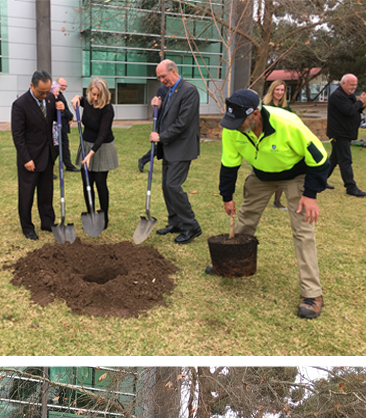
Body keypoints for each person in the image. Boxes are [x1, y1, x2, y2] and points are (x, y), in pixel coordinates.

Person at [207, 88, 330, 320]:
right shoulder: (233, 129)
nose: (234, 127)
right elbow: (229, 165)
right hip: (262, 174)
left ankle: (312, 294)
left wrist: (310, 194)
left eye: (239, 122)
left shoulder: (288, 123)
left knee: (303, 232)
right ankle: (232, 262)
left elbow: (320, 159)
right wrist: (227, 196)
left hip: (295, 174)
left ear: (255, 114)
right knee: (246, 217)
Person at [149, 59, 202, 244]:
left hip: (182, 147)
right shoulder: (169, 91)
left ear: (173, 71)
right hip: (169, 147)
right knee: (166, 186)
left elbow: (182, 122)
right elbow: (167, 117)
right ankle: (175, 222)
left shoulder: (189, 91)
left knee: (173, 185)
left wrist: (161, 137)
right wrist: (158, 107)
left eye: (163, 76)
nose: (161, 80)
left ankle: (191, 226)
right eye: (159, 78)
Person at [11, 70, 66, 240]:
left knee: (46, 191)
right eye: (41, 92)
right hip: (30, 157)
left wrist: (62, 110)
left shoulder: (50, 99)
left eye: (47, 91)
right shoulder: (20, 105)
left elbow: (59, 119)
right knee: (27, 194)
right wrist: (26, 158)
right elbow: (18, 136)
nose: (44, 95)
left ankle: (47, 222)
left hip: (47, 154)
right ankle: (27, 227)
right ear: (31, 86)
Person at [71, 77, 119, 228]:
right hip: (86, 144)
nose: (95, 98)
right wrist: (76, 98)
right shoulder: (88, 101)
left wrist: (90, 155)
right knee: (87, 182)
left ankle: (104, 216)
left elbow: (102, 135)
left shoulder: (108, 109)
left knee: (100, 183)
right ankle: (91, 213)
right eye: (93, 94)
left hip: (102, 146)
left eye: (99, 95)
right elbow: (80, 100)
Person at [326, 74, 366, 197]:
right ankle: (350, 187)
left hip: (346, 133)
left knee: (334, 159)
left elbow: (355, 110)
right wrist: (360, 101)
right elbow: (349, 110)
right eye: (351, 85)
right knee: (345, 160)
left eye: (355, 85)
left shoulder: (349, 95)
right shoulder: (337, 96)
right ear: (343, 83)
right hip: (339, 134)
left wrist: (362, 104)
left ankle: (319, 180)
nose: (354, 87)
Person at [262, 81, 293, 209]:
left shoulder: (285, 107)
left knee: (282, 172)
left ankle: (277, 201)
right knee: (262, 173)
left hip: (281, 143)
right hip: (267, 143)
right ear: (272, 90)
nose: (279, 92)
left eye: (282, 90)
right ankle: (259, 199)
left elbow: (291, 123)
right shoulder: (264, 106)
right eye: (277, 89)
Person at [138, 83, 168, 172]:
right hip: (163, 124)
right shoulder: (163, 90)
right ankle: (143, 160)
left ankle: (143, 160)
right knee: (161, 144)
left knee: (163, 145)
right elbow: (159, 109)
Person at [55, 77, 79, 171]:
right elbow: (62, 109)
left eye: (65, 86)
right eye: (62, 85)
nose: (64, 87)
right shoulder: (57, 96)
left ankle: (68, 165)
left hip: (63, 125)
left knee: (64, 146)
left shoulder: (60, 95)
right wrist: (71, 116)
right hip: (59, 126)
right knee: (58, 147)